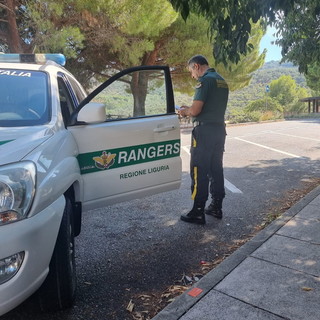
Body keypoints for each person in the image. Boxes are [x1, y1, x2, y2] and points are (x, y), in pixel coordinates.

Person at [179, 55, 229, 224]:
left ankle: (198, 211)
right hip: (219, 130)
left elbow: (196, 110)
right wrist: (191, 109)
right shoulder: (221, 80)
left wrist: (185, 111)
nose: (192, 76)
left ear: (197, 66)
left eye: (191, 71)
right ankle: (216, 206)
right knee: (216, 168)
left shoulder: (205, 81)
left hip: (204, 132)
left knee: (199, 169)